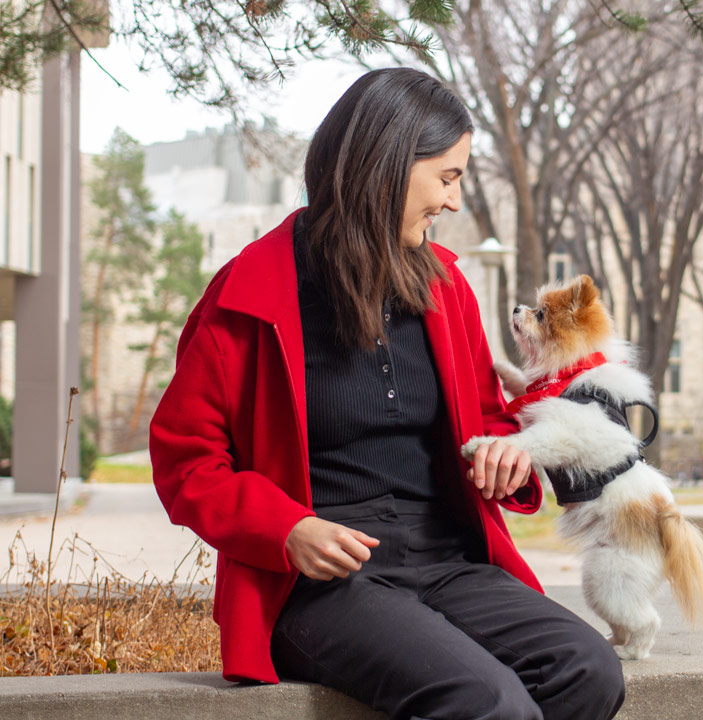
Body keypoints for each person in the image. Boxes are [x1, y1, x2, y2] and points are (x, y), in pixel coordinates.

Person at [149, 68, 625, 720]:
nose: (454, 203)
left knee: (587, 670)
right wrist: (286, 529)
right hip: (321, 583)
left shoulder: (446, 288)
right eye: (447, 177)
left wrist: (508, 450)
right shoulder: (246, 295)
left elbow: (488, 413)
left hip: (449, 560)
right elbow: (187, 462)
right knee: (487, 704)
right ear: (389, 163)